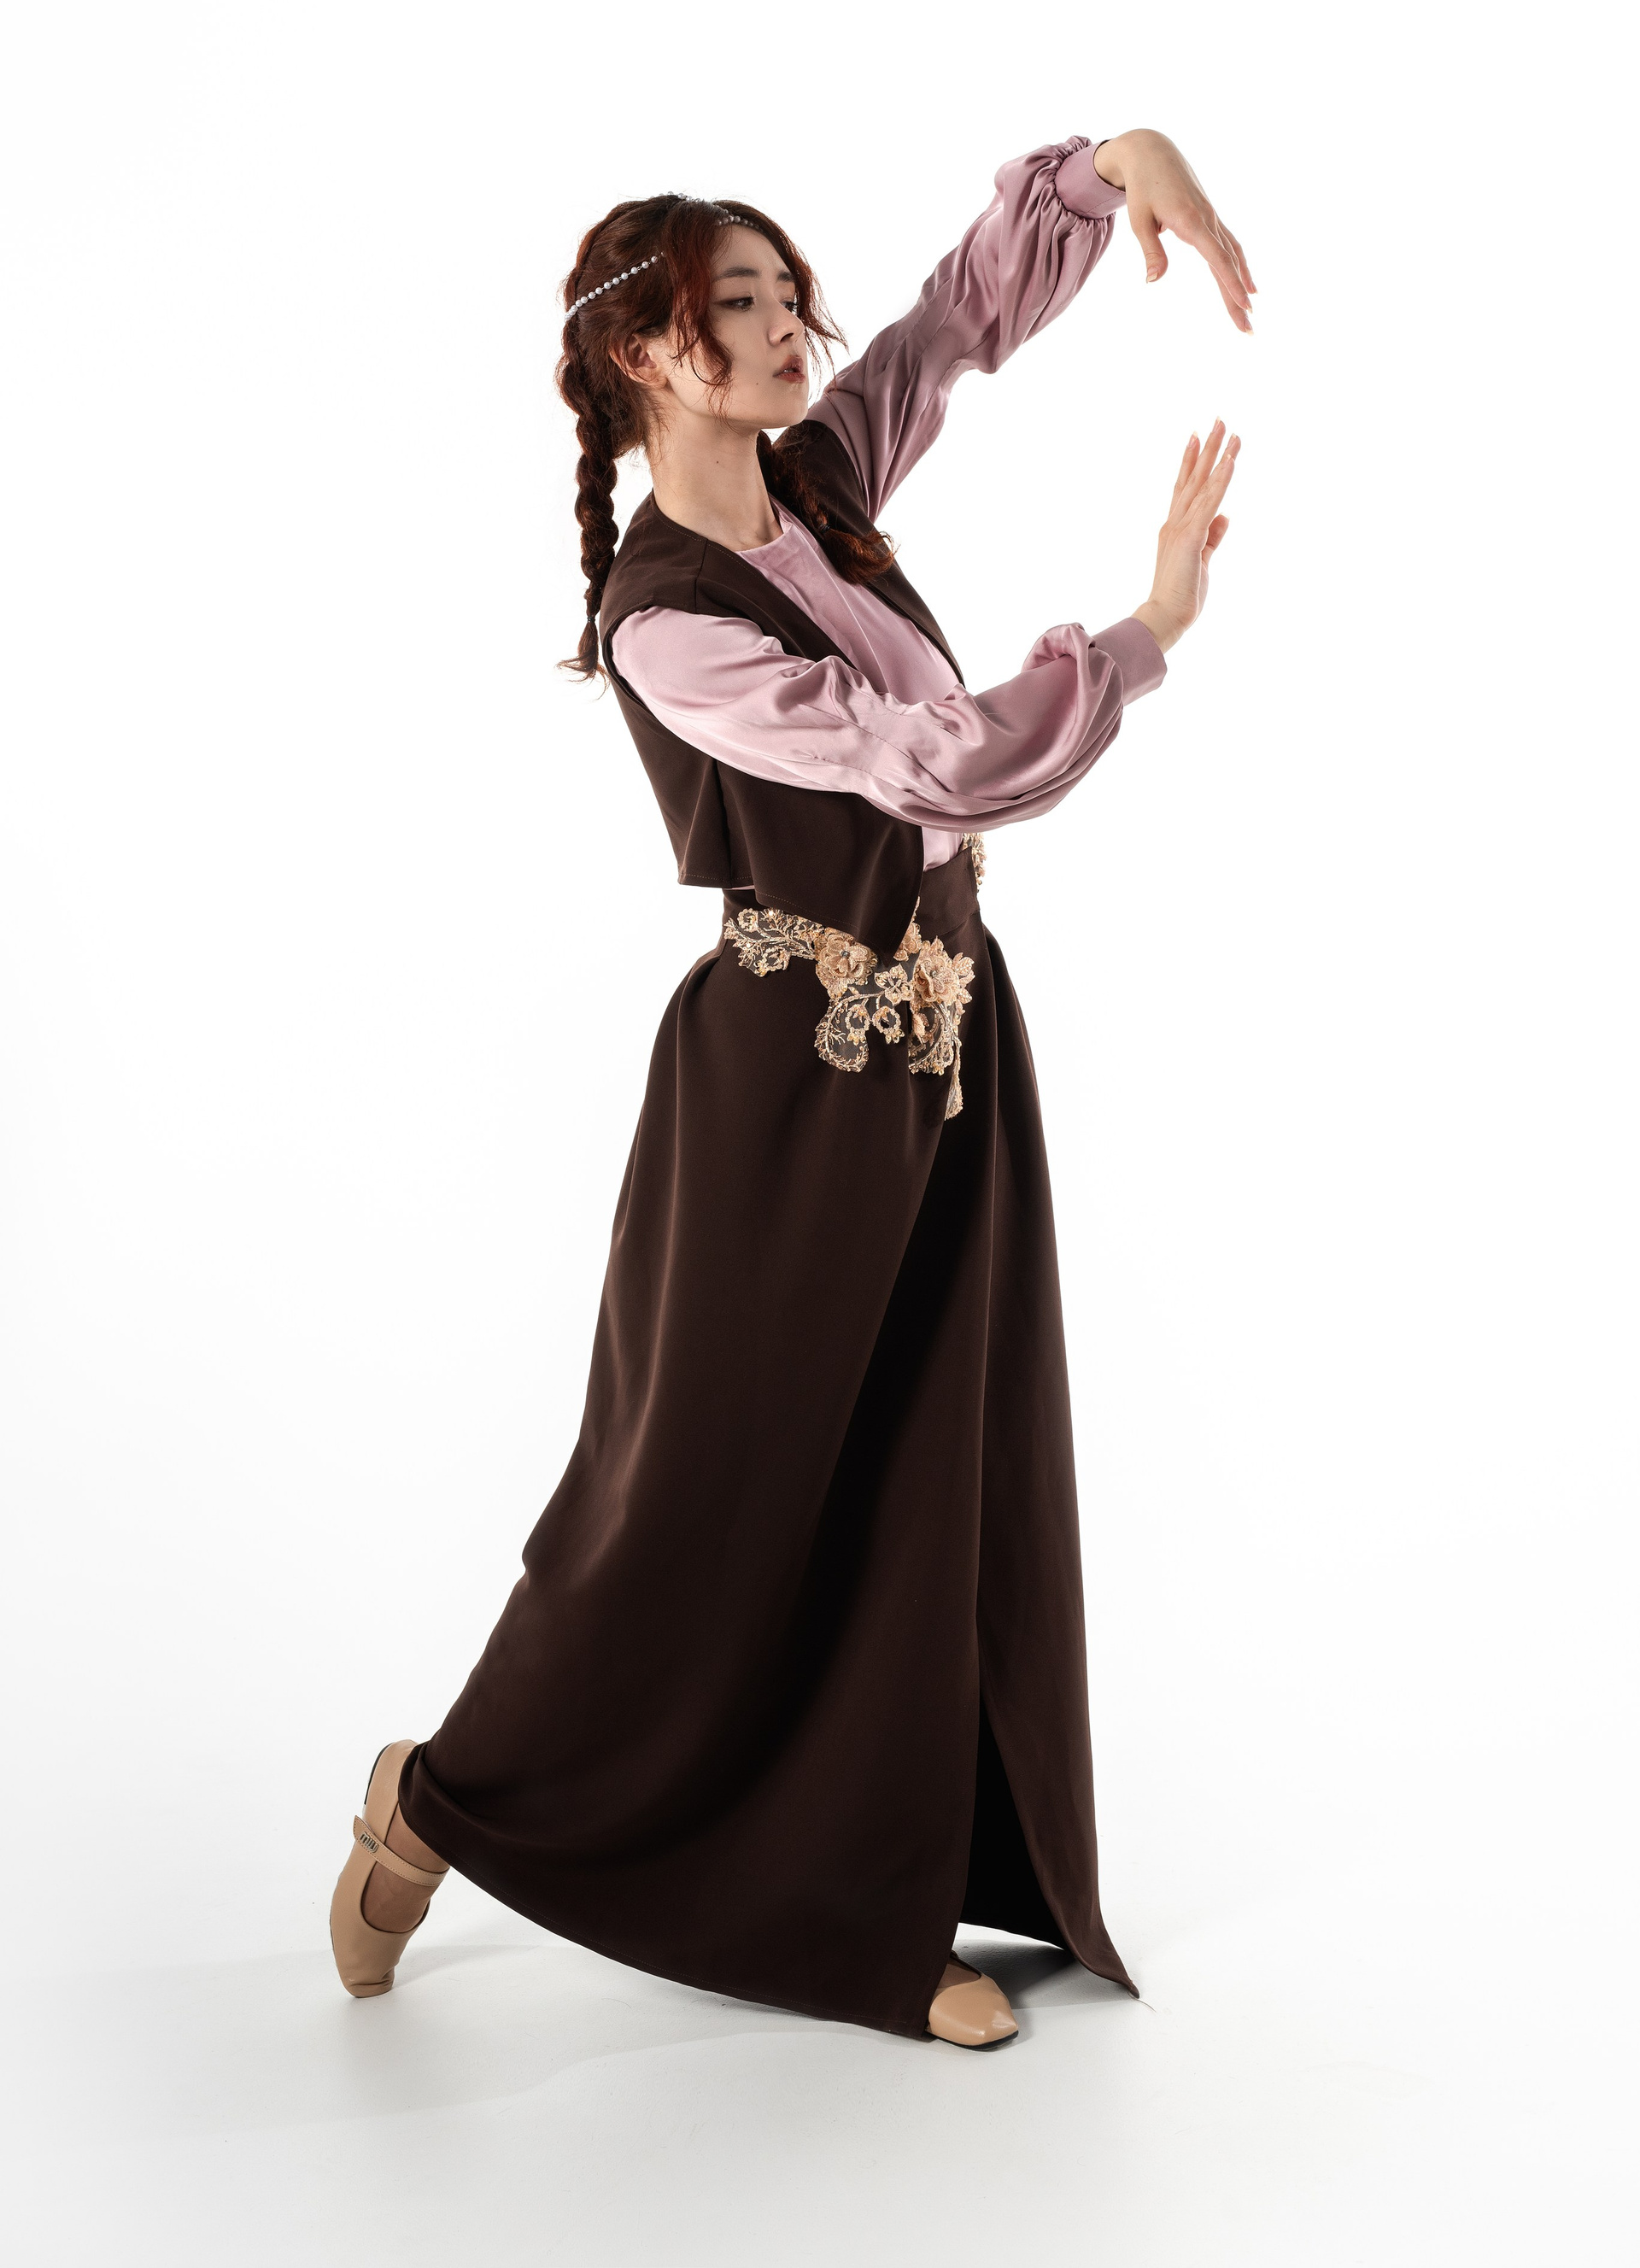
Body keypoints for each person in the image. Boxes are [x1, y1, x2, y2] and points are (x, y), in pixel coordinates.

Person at [329, 129, 1250, 2048]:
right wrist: (1147, 634)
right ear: (643, 358)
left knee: (927, 1458)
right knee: (697, 1495)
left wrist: (1107, 170)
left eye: (778, 294)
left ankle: (884, 1904)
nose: (778, 329)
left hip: (947, 1034)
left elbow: (947, 328)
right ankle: (438, 1799)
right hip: (785, 1088)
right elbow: (936, 763)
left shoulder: (818, 482)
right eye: (728, 306)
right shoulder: (667, 619)